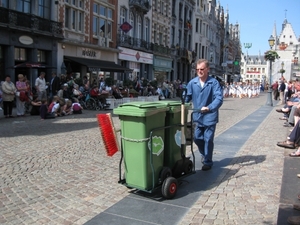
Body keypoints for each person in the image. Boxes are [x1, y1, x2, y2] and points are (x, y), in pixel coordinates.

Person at [185, 59, 223, 171]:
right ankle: (204, 154)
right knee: (196, 138)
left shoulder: (213, 83)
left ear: (207, 70)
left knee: (208, 139)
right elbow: (187, 96)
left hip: (210, 116)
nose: (199, 71)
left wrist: (209, 107)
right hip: (197, 116)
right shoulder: (192, 83)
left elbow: (219, 98)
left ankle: (207, 162)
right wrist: (183, 104)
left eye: (202, 69)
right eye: (197, 69)